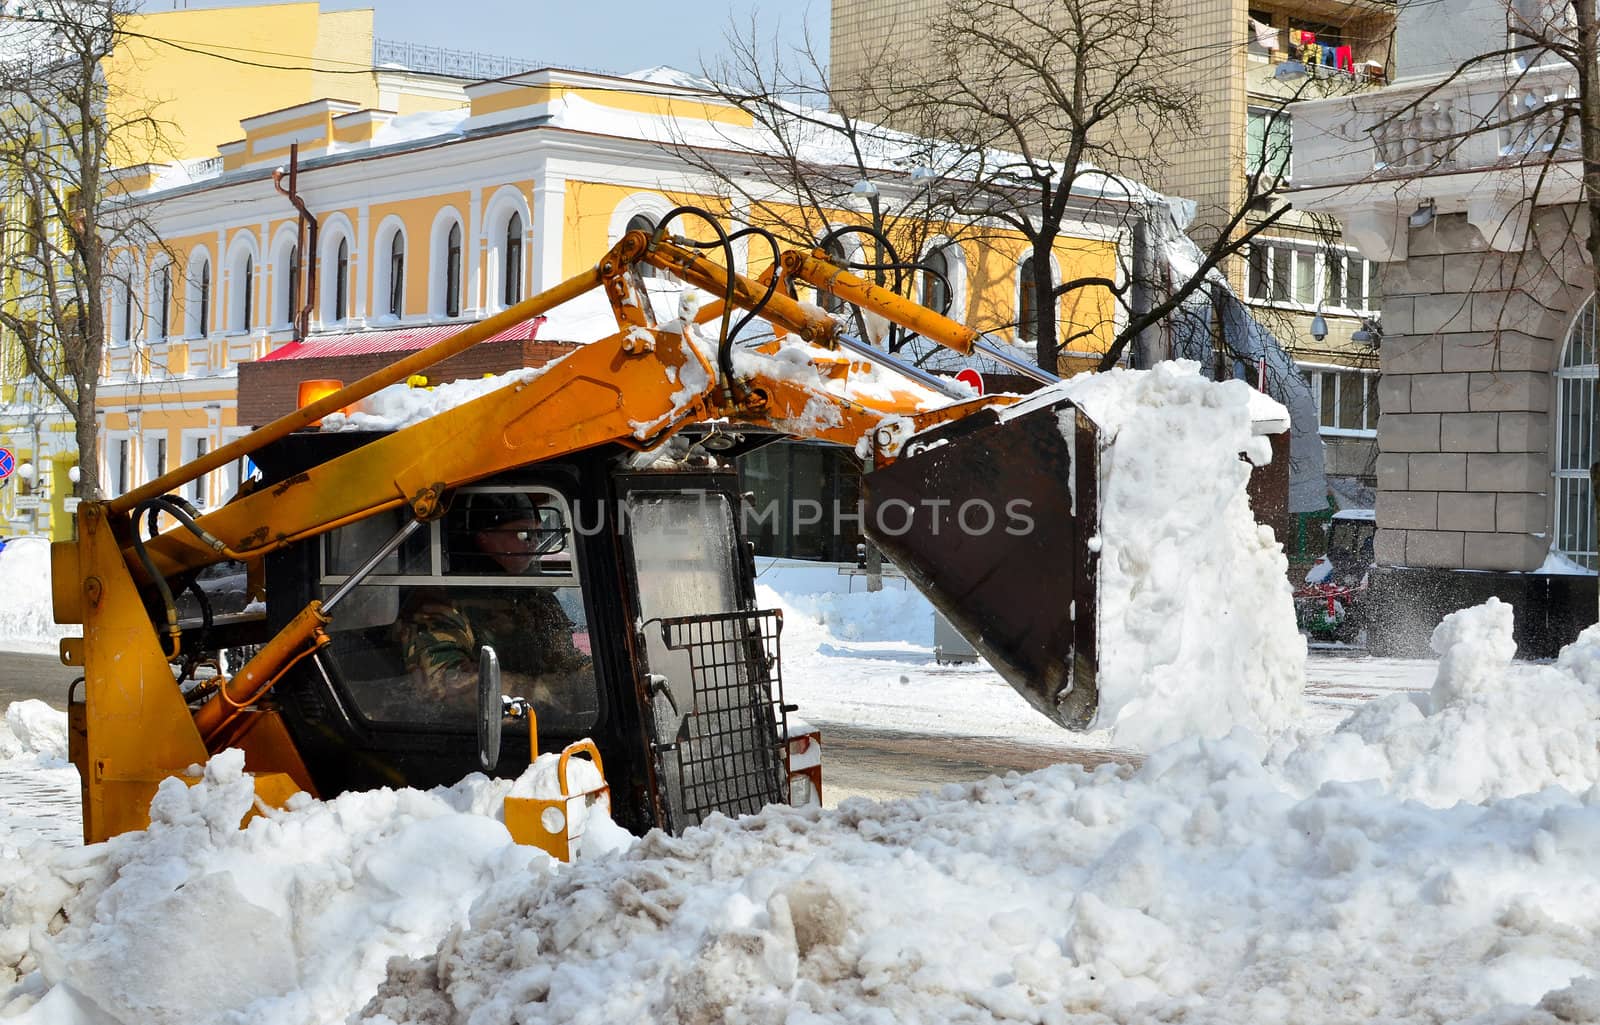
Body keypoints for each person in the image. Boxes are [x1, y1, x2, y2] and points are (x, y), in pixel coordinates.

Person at [390, 492, 595, 725]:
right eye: (524, 534)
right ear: (484, 537)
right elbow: (445, 682)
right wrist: (544, 692)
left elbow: (562, 658)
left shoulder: (537, 600)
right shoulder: (438, 603)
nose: (535, 542)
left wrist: (593, 680)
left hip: (542, 731)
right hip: (473, 740)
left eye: (538, 533)